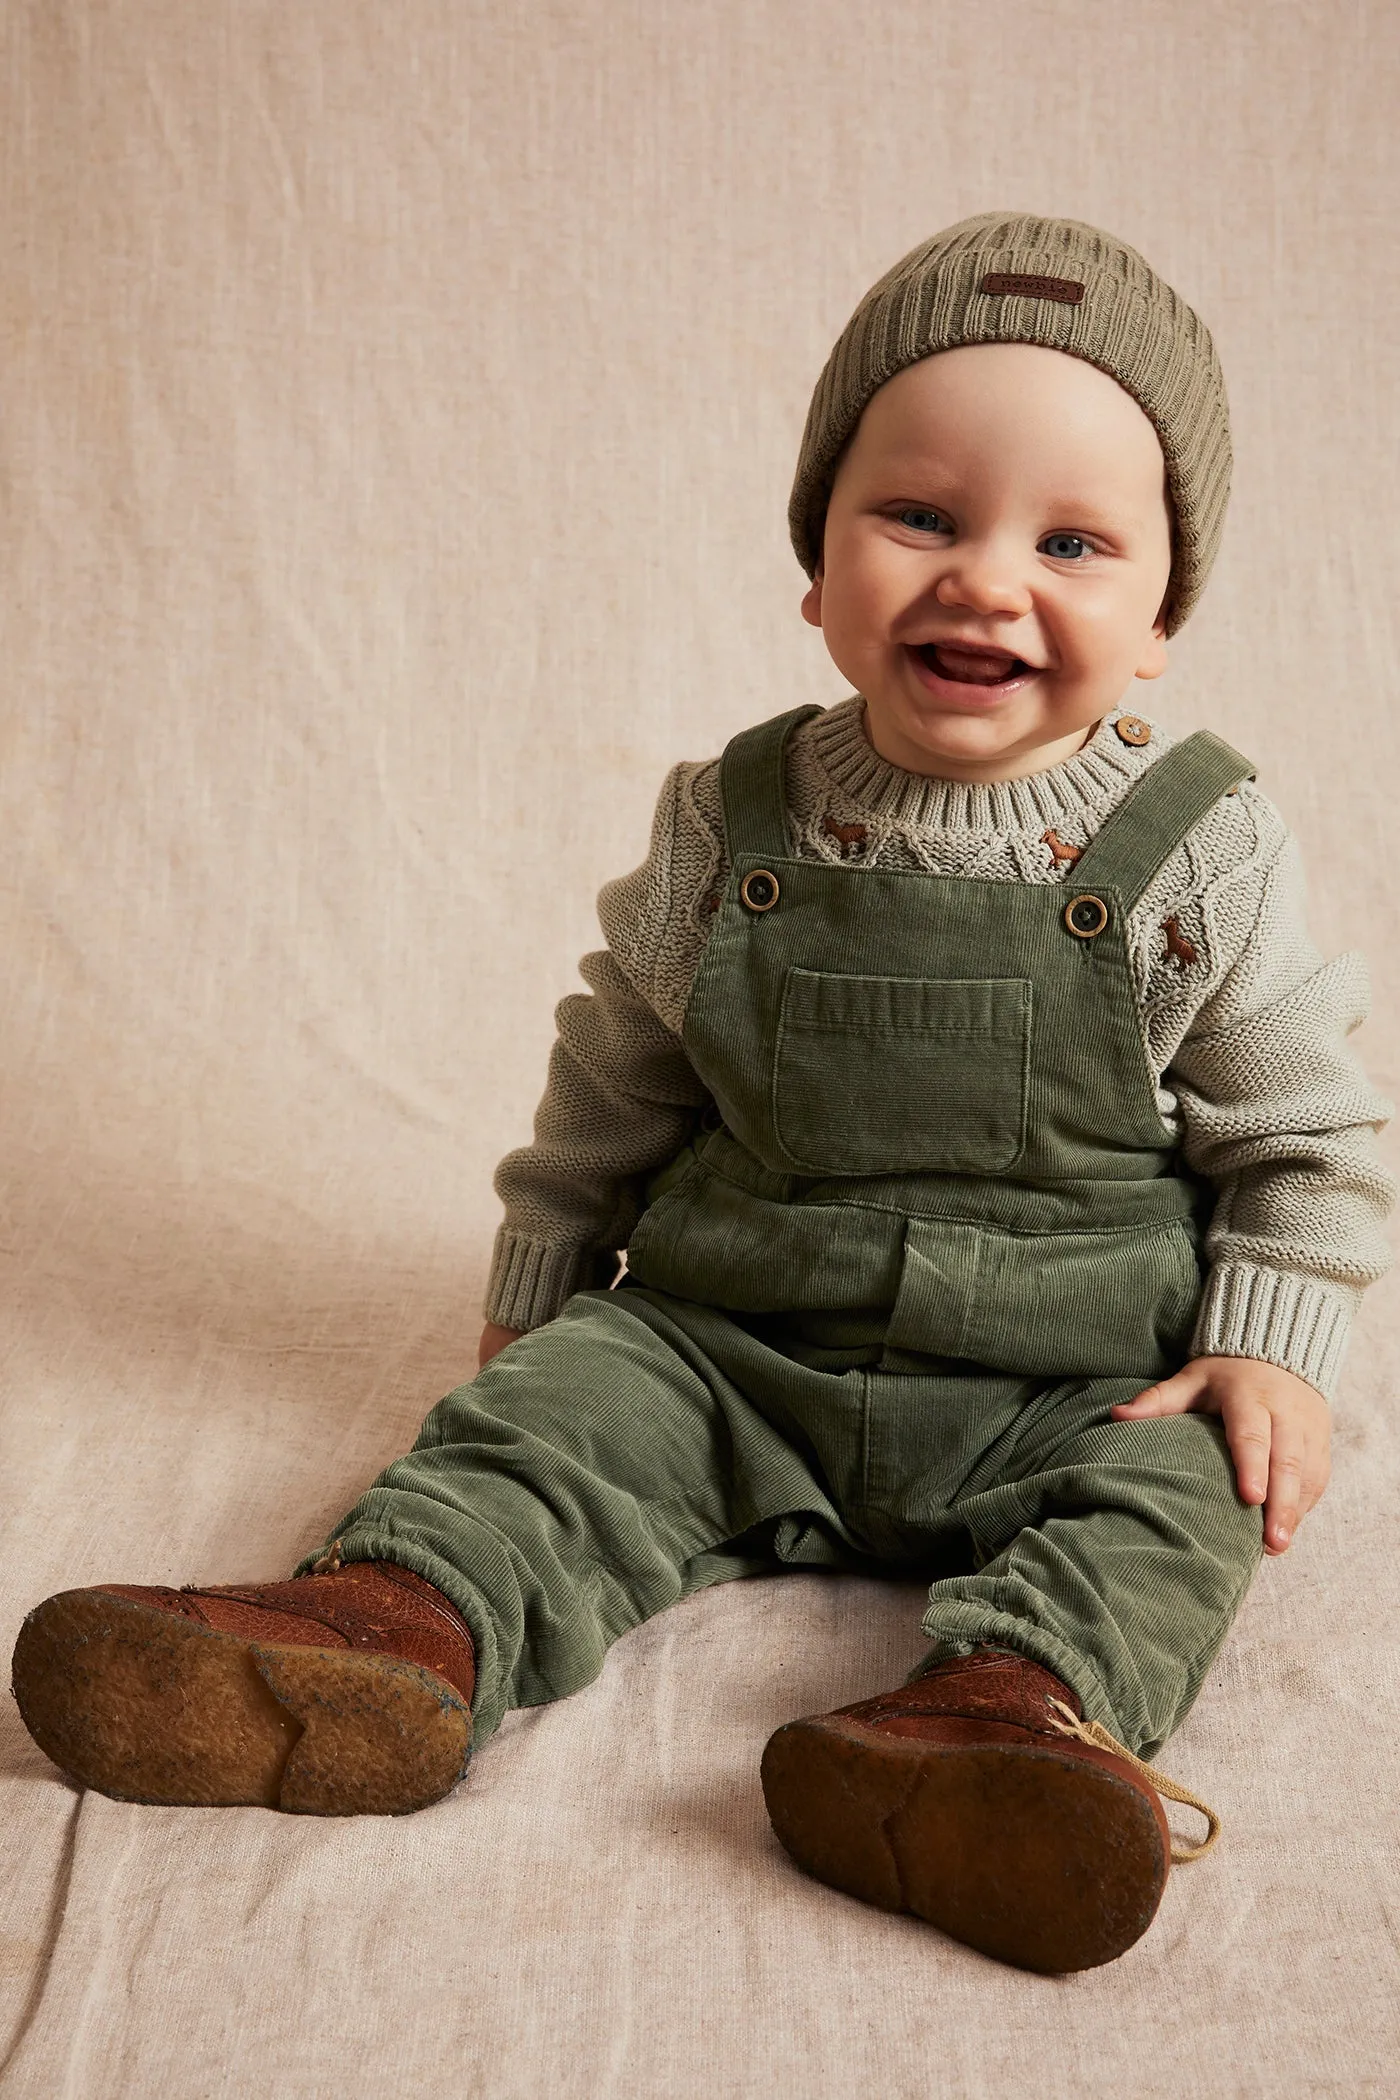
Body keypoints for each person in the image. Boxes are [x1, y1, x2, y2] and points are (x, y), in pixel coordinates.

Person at [13, 212, 1394, 1974]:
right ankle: (401, 1625)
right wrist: (541, 1289)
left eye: (1070, 541)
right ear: (816, 561)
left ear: (1160, 620)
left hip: (1069, 1371)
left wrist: (1270, 1345)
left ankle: (1007, 1717)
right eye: (920, 515)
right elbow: (616, 1077)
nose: (985, 578)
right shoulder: (728, 824)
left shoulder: (1198, 847)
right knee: (562, 1425)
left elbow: (1305, 1129)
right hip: (733, 1342)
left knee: (1188, 1490)